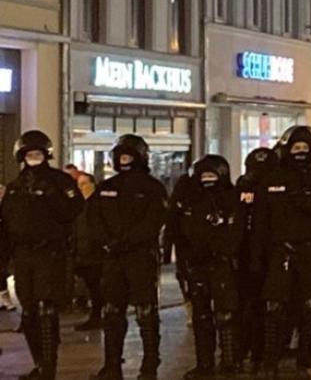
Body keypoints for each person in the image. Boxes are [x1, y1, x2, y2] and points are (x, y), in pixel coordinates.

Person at [252, 125, 311, 378]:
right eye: (296, 147)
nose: (300, 152)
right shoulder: (272, 180)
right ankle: (270, 360)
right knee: (274, 307)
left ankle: (304, 362)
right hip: (280, 252)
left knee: (309, 308)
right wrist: (257, 257)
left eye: (304, 148)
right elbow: (261, 221)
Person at [0, 131, 85, 379]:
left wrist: (52, 196)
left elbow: (74, 211)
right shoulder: (16, 187)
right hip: (23, 254)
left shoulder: (60, 182)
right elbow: (6, 223)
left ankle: (49, 366)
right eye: (29, 154)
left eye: (37, 153)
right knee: (28, 312)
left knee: (47, 309)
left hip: (51, 252)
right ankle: (38, 363)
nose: (33, 158)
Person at [90, 135, 169, 380]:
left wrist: (128, 241)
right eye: (120, 157)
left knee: (146, 311)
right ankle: (112, 366)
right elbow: (93, 218)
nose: (124, 161)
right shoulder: (106, 187)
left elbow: (154, 221)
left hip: (140, 256)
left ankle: (149, 365)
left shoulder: (152, 188)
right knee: (112, 311)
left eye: (128, 157)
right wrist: (106, 242)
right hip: (112, 258)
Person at [171, 155, 245, 378]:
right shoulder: (190, 200)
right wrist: (185, 261)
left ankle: (230, 361)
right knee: (201, 316)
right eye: (204, 176)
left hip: (223, 263)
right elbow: (179, 232)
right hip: (196, 264)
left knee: (226, 314)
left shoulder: (232, 198)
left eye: (212, 175)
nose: (207, 180)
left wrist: (223, 251)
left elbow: (237, 231)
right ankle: (204, 363)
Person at [234, 147, 276, 373]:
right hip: (245, 254)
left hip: (271, 253)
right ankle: (245, 351)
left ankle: (262, 352)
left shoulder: (278, 188)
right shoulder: (243, 189)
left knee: (266, 307)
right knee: (246, 306)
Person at [72, 172, 104, 332]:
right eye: (79, 184)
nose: (81, 188)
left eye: (84, 184)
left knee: (97, 287)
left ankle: (98, 316)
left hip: (95, 253)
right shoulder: (77, 206)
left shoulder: (99, 204)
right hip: (82, 253)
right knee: (90, 286)